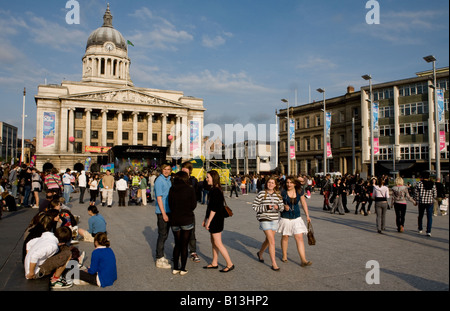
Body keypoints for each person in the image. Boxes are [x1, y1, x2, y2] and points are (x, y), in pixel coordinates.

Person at [202, 170, 234, 273]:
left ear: (213, 178)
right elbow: (210, 207)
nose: (206, 179)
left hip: (216, 219)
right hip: (216, 218)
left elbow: (214, 209)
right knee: (214, 242)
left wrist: (208, 222)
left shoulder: (215, 190)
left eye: (208, 177)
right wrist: (205, 219)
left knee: (218, 242)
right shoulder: (215, 189)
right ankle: (214, 262)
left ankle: (229, 263)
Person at [252, 176, 285, 271]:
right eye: (269, 182)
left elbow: (282, 207)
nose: (270, 184)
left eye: (272, 183)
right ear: (266, 183)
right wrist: (266, 207)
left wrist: (277, 207)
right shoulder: (262, 194)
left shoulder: (278, 195)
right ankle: (274, 263)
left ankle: (260, 253)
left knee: (268, 240)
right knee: (272, 241)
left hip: (274, 219)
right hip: (264, 218)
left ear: (275, 185)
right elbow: (254, 206)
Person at [278, 176, 311, 267]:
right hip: (285, 217)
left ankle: (303, 259)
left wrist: (307, 215)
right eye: (287, 182)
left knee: (299, 238)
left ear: (294, 184)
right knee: (285, 237)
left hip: (297, 217)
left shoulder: (299, 191)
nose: (289, 184)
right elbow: (277, 203)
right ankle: (284, 255)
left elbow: (304, 203)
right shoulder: (282, 192)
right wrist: (283, 206)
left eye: (291, 183)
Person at [168, 171, 197, 275]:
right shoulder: (190, 189)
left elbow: (170, 204)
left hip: (175, 220)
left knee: (177, 244)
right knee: (184, 245)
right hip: (186, 219)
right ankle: (183, 268)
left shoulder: (172, 189)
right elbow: (194, 205)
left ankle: (175, 267)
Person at [154, 164, 172, 269]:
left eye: (168, 169)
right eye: (164, 169)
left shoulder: (168, 179)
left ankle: (161, 256)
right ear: (161, 170)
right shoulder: (159, 181)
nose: (166, 171)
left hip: (168, 210)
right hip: (162, 212)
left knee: (165, 235)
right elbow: (159, 198)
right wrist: (164, 213)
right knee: (162, 235)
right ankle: (159, 258)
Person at [414, 172, 437, 237]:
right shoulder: (433, 184)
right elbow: (435, 194)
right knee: (429, 217)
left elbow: (416, 193)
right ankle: (428, 231)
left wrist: (416, 200)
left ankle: (420, 228)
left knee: (420, 215)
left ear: (422, 177)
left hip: (421, 202)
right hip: (430, 202)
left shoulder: (419, 184)